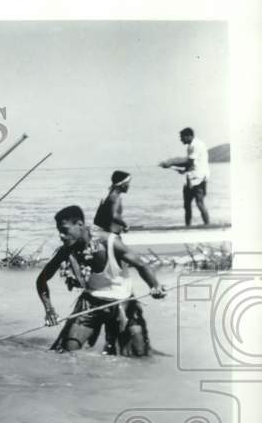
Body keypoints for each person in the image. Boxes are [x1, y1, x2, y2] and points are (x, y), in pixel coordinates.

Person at [35, 206, 166, 357]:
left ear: (79, 224)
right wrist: (49, 310)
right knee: (64, 353)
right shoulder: (66, 250)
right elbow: (42, 280)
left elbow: (142, 266)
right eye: (59, 231)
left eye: (64, 230)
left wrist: (155, 286)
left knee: (139, 356)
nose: (61, 236)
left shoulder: (110, 242)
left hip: (122, 302)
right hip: (90, 303)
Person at [159, 127, 211, 226]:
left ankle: (207, 226)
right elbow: (191, 164)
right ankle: (188, 227)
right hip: (192, 177)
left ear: (189, 136)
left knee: (199, 203)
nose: (181, 139)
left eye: (182, 137)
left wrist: (171, 162)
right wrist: (181, 169)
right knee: (187, 205)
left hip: (199, 178)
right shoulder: (191, 146)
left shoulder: (196, 145)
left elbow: (188, 162)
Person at [93, 171, 131, 237]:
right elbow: (114, 215)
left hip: (108, 232)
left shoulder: (110, 195)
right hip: (113, 234)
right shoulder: (116, 197)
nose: (129, 186)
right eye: (128, 183)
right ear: (122, 184)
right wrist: (125, 224)